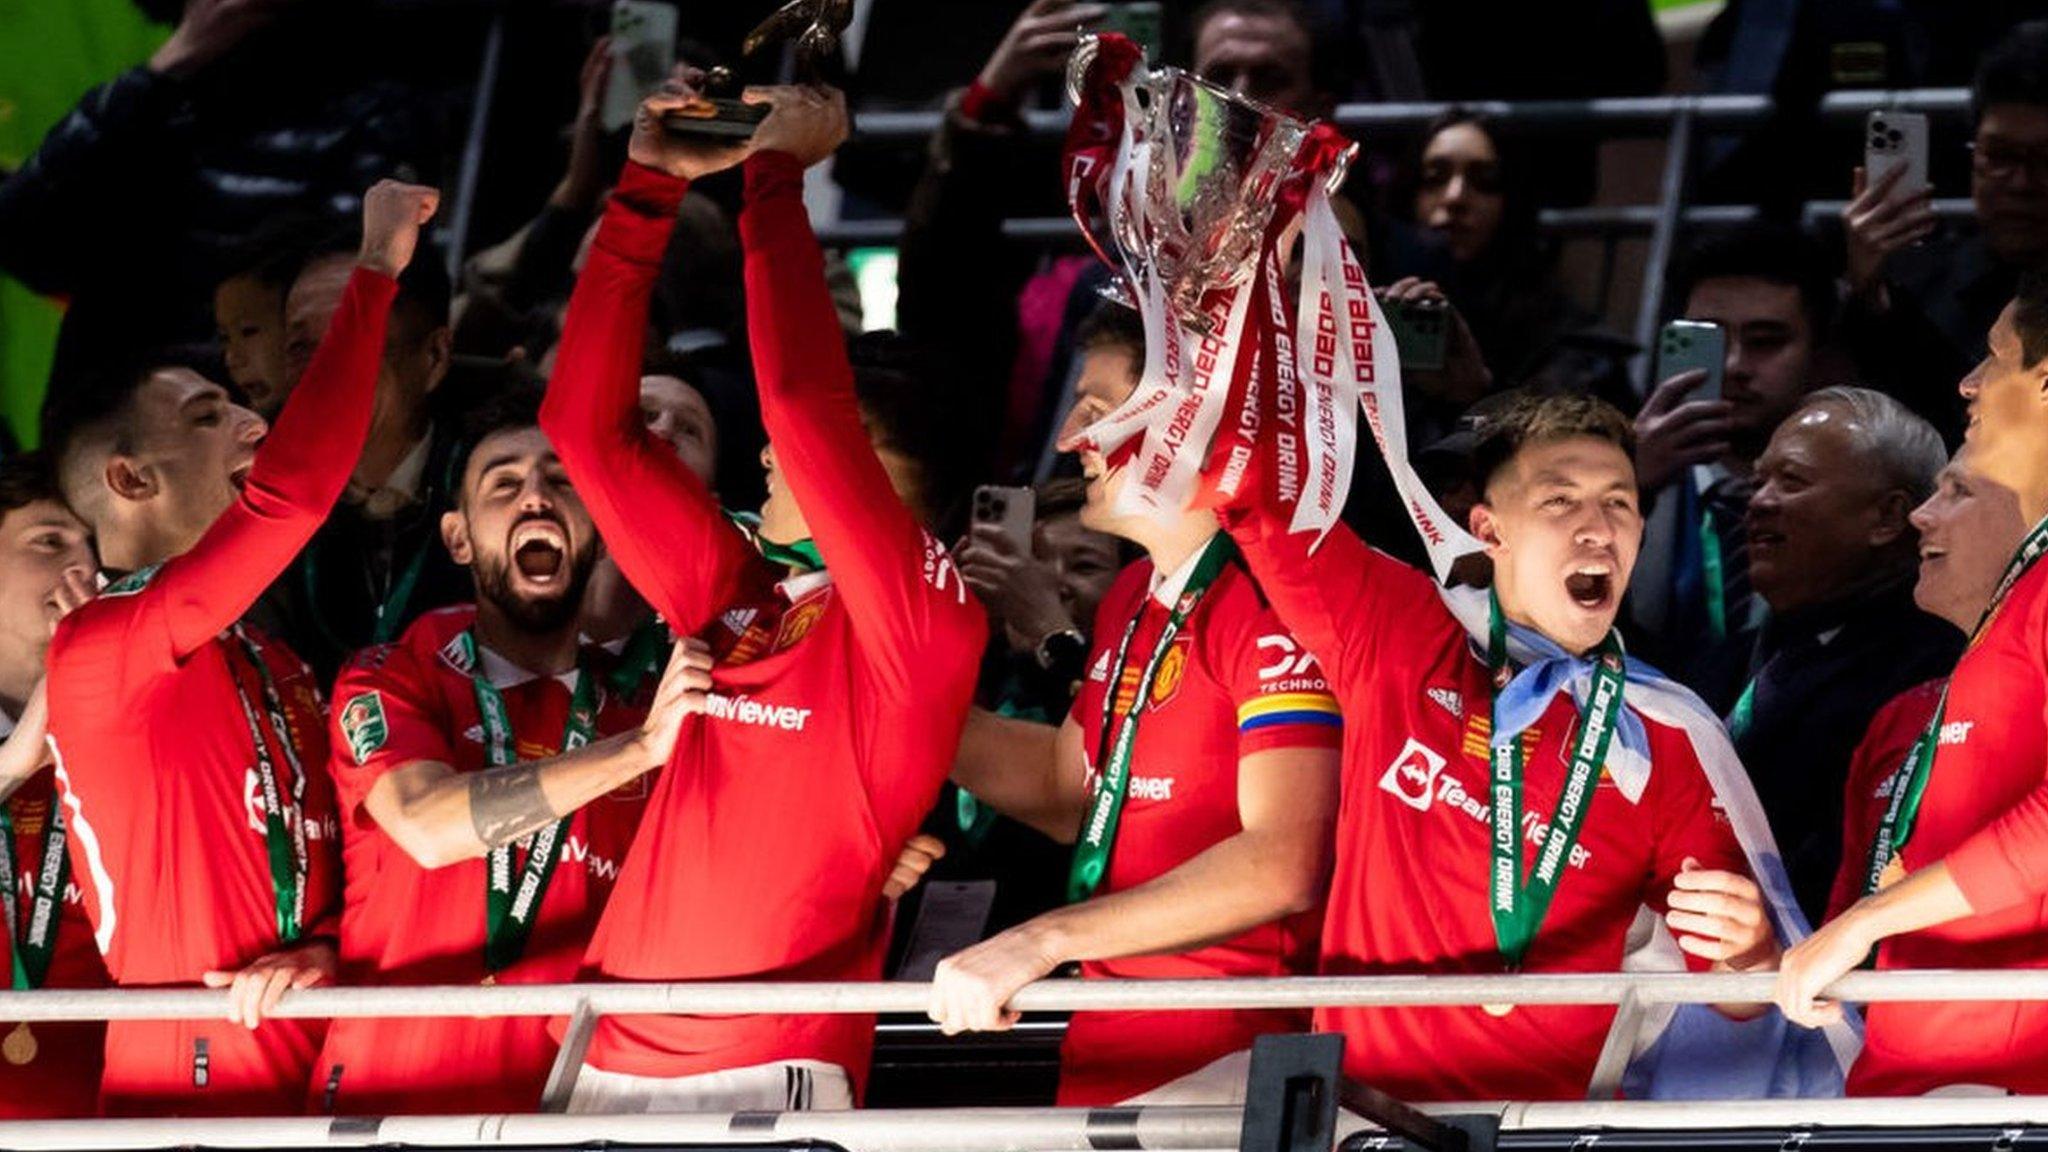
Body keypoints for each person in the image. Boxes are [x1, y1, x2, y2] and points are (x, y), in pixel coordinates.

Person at [540, 81, 985, 1111]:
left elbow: (799, 399)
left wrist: (775, 176)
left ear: (861, 467)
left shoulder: (926, 622)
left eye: (797, 454)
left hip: (760, 1068)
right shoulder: (743, 593)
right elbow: (584, 431)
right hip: (600, 1046)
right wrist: (645, 192)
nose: (768, 453)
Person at [1224, 391, 1779, 1101]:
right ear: (1489, 530)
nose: (1597, 530)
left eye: (1618, 503)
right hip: (1365, 1121)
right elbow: (1257, 500)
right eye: (1559, 502)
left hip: (1541, 1137)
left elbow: (1742, 996)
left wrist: (1747, 949)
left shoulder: (1667, 734)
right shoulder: (1401, 633)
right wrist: (1223, 331)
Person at [39, 179, 435, 1116]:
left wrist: (325, 946)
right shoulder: (103, 648)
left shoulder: (274, 656)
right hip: (181, 1087)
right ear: (131, 478)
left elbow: (341, 861)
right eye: (209, 419)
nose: (256, 421)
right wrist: (374, 269)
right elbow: (291, 499)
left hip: (328, 1058)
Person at [930, 301, 1343, 1106]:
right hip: (1110, 1038)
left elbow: (1287, 861)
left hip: (1234, 1065)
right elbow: (1068, 791)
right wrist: (885, 697)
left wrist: (1042, 939)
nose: (1068, 439)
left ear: (1193, 415)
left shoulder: (1276, 595)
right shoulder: (1132, 593)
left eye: (1097, 409)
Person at [309, 388, 711, 1114]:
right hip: (389, 1102)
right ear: (459, 539)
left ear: (596, 527)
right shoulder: (391, 674)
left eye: (561, 482)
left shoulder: (639, 700)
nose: (535, 499)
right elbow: (427, 826)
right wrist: (638, 751)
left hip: (577, 1110)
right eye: (504, 484)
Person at [1778, 271, 2048, 1094]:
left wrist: (1870, 919)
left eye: (1995, 358)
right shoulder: (2021, 595)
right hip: (1922, 1072)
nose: (1967, 382)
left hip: (2008, 1088)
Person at [1731, 387, 1961, 923]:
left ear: (1888, 518)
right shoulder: (1725, 659)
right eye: (1759, 478)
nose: (1759, 500)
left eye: (1792, 481)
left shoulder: (1933, 673)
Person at [1628, 224, 1837, 711]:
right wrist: (1626, 489)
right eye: (1710, 341)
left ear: (1820, 354)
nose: (1736, 365)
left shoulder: (1856, 502)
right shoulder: (1620, 478)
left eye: (1766, 341)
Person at [249, 224, 469, 684]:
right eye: (300, 347)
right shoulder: (259, 502)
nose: (325, 371)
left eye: (354, 337)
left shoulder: (497, 486)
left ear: (433, 357)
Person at [1840, 19, 2048, 442]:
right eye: (2000, 156)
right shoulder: (1905, 288)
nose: (2021, 183)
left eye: (2046, 161)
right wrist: (1870, 303)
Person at [1377, 111, 1634, 409]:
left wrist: (1479, 395)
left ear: (1513, 203)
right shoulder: (1369, 302)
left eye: (1485, 181)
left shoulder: (1568, 344)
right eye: (1434, 178)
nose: (1455, 197)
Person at [0, 454, 104, 1119]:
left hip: (108, 1108)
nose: (86, 569)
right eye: (50, 541)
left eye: (92, 545)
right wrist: (22, 748)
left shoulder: (120, 723)